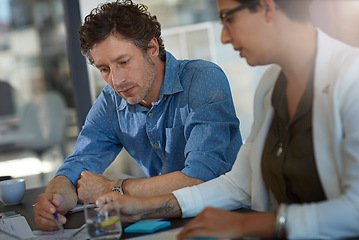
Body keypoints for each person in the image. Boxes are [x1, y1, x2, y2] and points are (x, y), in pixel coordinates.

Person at [95, 0, 359, 239]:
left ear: (267, 7)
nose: (223, 37)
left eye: (228, 18)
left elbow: (356, 210)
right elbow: (239, 184)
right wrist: (146, 207)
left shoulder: (352, 78)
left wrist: (249, 225)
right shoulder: (271, 86)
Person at [33, 0, 242, 231]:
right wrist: (55, 199)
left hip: (227, 218)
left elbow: (200, 178)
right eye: (104, 69)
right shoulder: (112, 101)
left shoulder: (202, 79)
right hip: (162, 221)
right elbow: (78, 166)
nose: (116, 80)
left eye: (123, 62)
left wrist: (113, 187)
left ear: (152, 48)